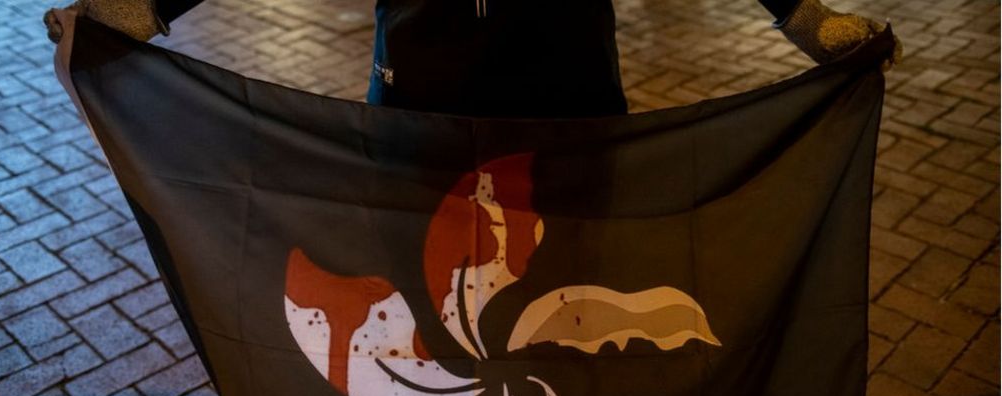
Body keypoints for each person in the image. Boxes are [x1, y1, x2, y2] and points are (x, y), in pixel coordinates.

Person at [45, 0, 899, 118]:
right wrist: (144, 6)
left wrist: (801, 13)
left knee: (568, 276)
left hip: (568, 82)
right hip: (422, 84)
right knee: (426, 277)